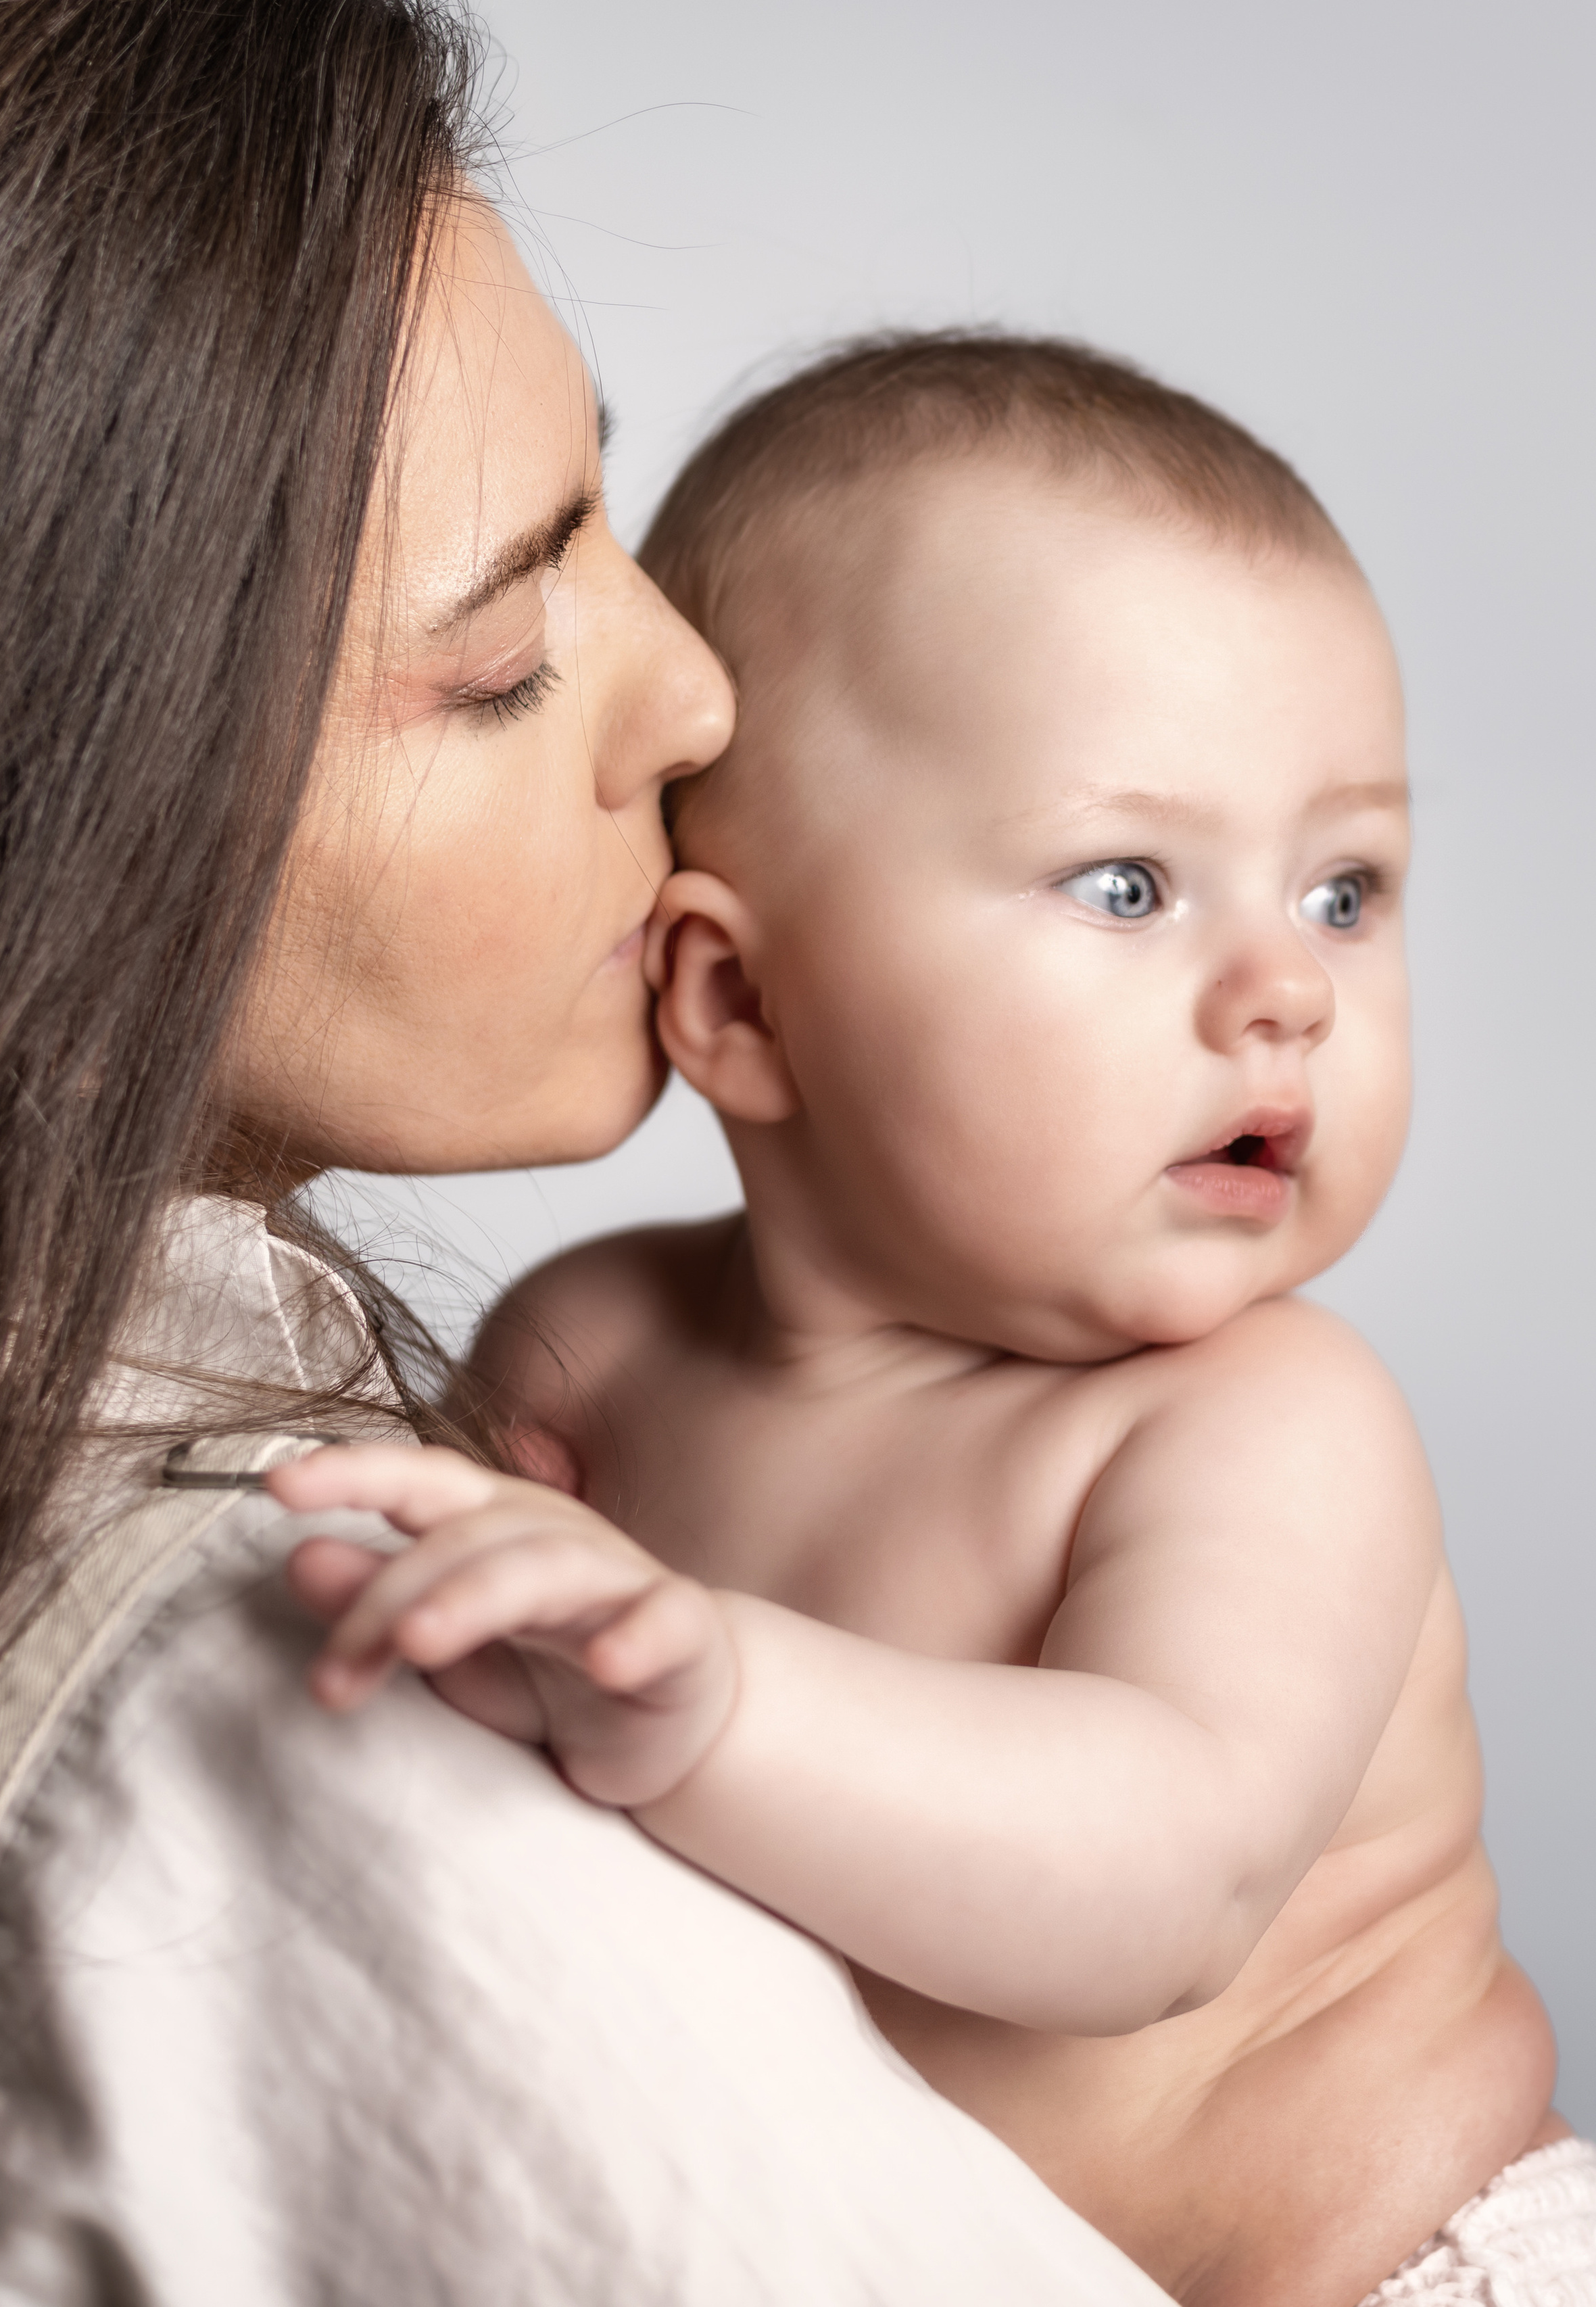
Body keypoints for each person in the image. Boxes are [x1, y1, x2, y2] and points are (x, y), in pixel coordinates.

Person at [0, 9, 1173, 2302]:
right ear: (27, 804)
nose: (693, 695)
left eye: (612, 507)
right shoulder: (301, 1722)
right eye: (500, 655)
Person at [283, 335, 1596, 2307]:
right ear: (737, 1004)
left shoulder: (1257, 1422)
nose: (1288, 995)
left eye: (1346, 889)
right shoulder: (592, 1346)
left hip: (1396, 2268)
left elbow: (1162, 1881)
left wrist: (715, 1695)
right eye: (1134, 881)